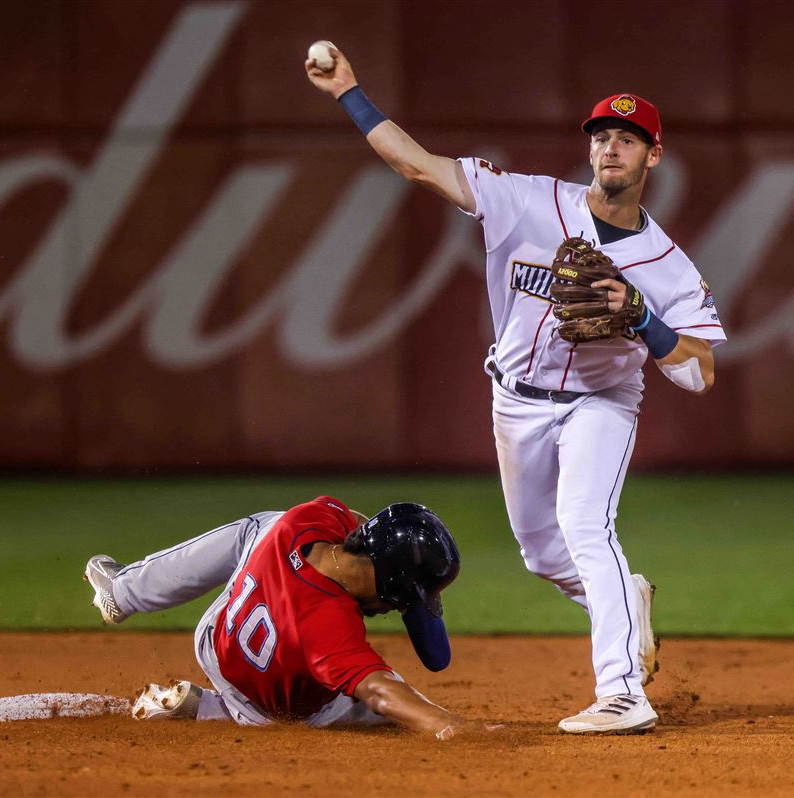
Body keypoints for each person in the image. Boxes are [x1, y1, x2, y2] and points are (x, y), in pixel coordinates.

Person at [305, 46, 726, 735]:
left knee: (588, 528)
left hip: (602, 404)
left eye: (627, 138)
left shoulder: (667, 264)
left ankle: (623, 693)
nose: (610, 147)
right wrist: (349, 92)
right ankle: (626, 600)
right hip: (516, 400)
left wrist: (643, 319)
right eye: (601, 136)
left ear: (653, 157)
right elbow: (416, 164)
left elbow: (699, 370)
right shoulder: (526, 200)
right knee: (541, 553)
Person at [84, 496, 481, 738]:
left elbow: (355, 519)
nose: (395, 609)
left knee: (261, 526)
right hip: (273, 706)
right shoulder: (329, 629)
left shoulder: (307, 520)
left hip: (216, 638)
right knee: (389, 696)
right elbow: (379, 692)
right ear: (390, 584)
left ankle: (122, 591)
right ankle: (212, 711)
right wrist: (450, 725)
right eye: (401, 601)